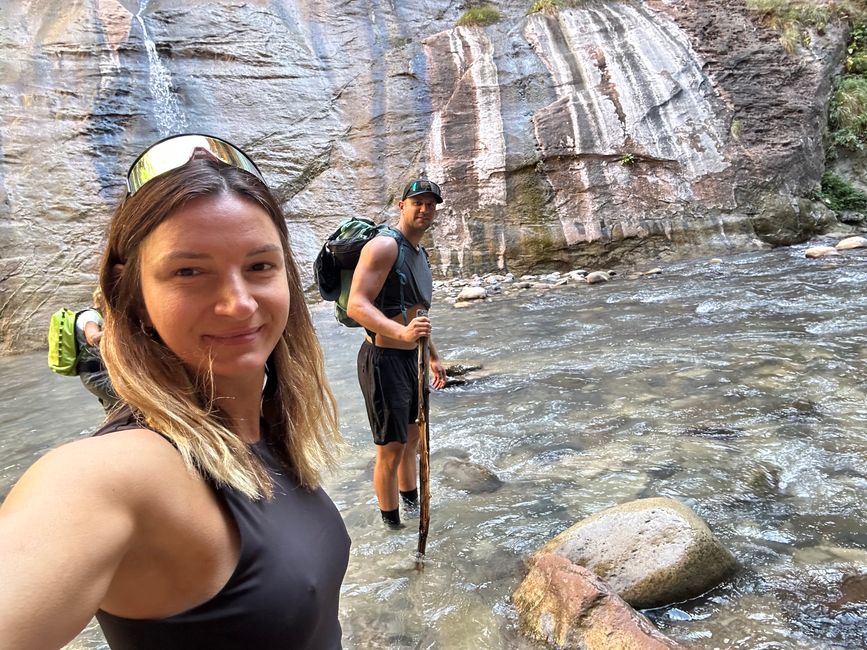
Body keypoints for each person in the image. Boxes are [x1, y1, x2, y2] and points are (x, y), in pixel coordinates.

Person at [0, 134, 349, 649]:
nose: (238, 304)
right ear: (134, 296)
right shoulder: (115, 476)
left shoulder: (266, 431)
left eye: (259, 266)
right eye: (189, 271)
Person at [346, 178, 447, 530]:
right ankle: (392, 527)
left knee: (412, 440)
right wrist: (401, 333)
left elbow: (417, 313)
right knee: (389, 449)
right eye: (416, 202)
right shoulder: (384, 247)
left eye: (430, 204)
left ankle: (412, 504)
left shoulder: (420, 254)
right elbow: (357, 305)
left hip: (412, 360)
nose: (424, 209)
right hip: (384, 361)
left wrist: (432, 355)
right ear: (401, 206)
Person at [76, 287, 120, 412]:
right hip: (96, 375)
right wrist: (119, 331)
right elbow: (93, 337)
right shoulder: (90, 316)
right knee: (133, 401)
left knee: (115, 411)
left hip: (100, 373)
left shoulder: (94, 315)